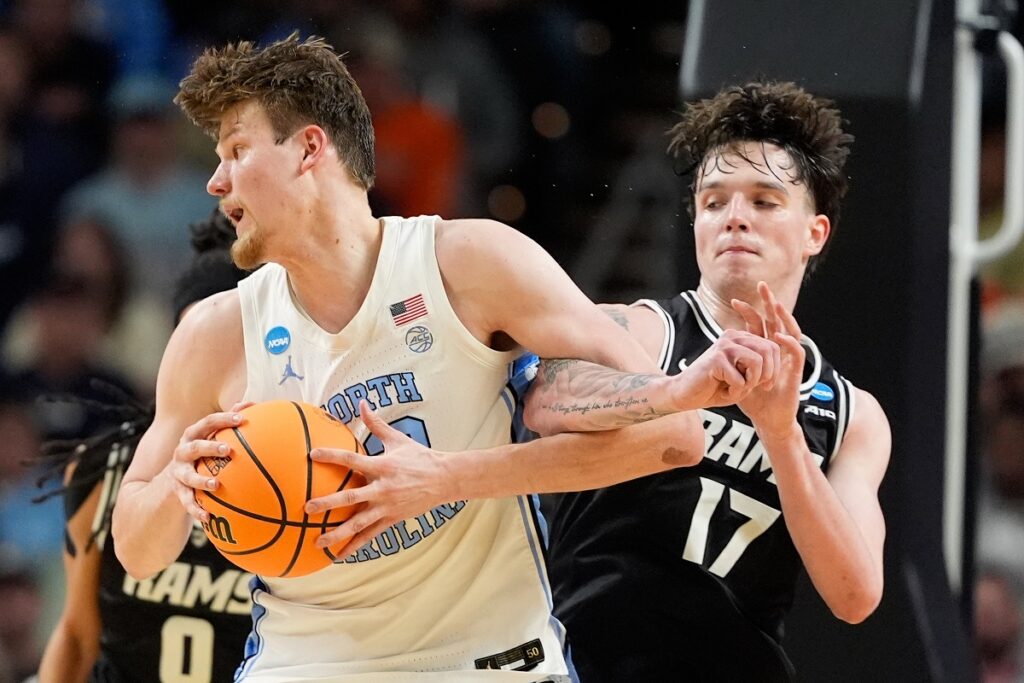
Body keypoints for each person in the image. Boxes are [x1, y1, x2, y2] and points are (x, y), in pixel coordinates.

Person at [111, 34, 783, 682]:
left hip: (489, 660)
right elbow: (137, 551)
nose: (214, 180)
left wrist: (448, 477)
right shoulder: (216, 332)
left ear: (310, 147)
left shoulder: (469, 264)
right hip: (305, 663)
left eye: (234, 150)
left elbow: (675, 434)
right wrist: (182, 478)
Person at [518, 82, 890, 681]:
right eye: (714, 202)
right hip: (589, 659)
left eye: (765, 202)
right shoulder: (643, 330)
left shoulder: (852, 414)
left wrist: (781, 434)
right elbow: (544, 399)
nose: (734, 218)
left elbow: (855, 596)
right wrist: (677, 391)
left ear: (814, 233)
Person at [36, 211, 254, 683]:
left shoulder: (299, 474)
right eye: (193, 335)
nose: (206, 356)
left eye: (225, 340)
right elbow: (76, 635)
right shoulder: (107, 467)